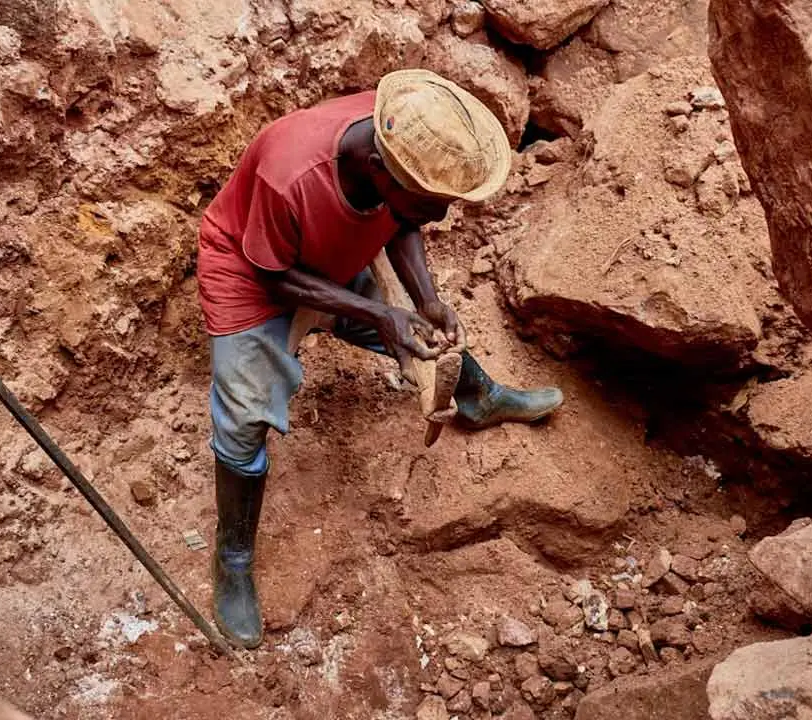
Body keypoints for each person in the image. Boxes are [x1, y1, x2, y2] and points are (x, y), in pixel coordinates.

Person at [195, 69, 565, 648]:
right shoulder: (287, 173)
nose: (440, 218)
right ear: (376, 168)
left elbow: (402, 218)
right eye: (433, 204)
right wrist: (377, 313)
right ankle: (234, 555)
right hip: (253, 269)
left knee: (421, 333)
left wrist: (425, 299)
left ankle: (477, 398)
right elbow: (273, 274)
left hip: (328, 253)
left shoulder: (404, 132)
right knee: (244, 415)